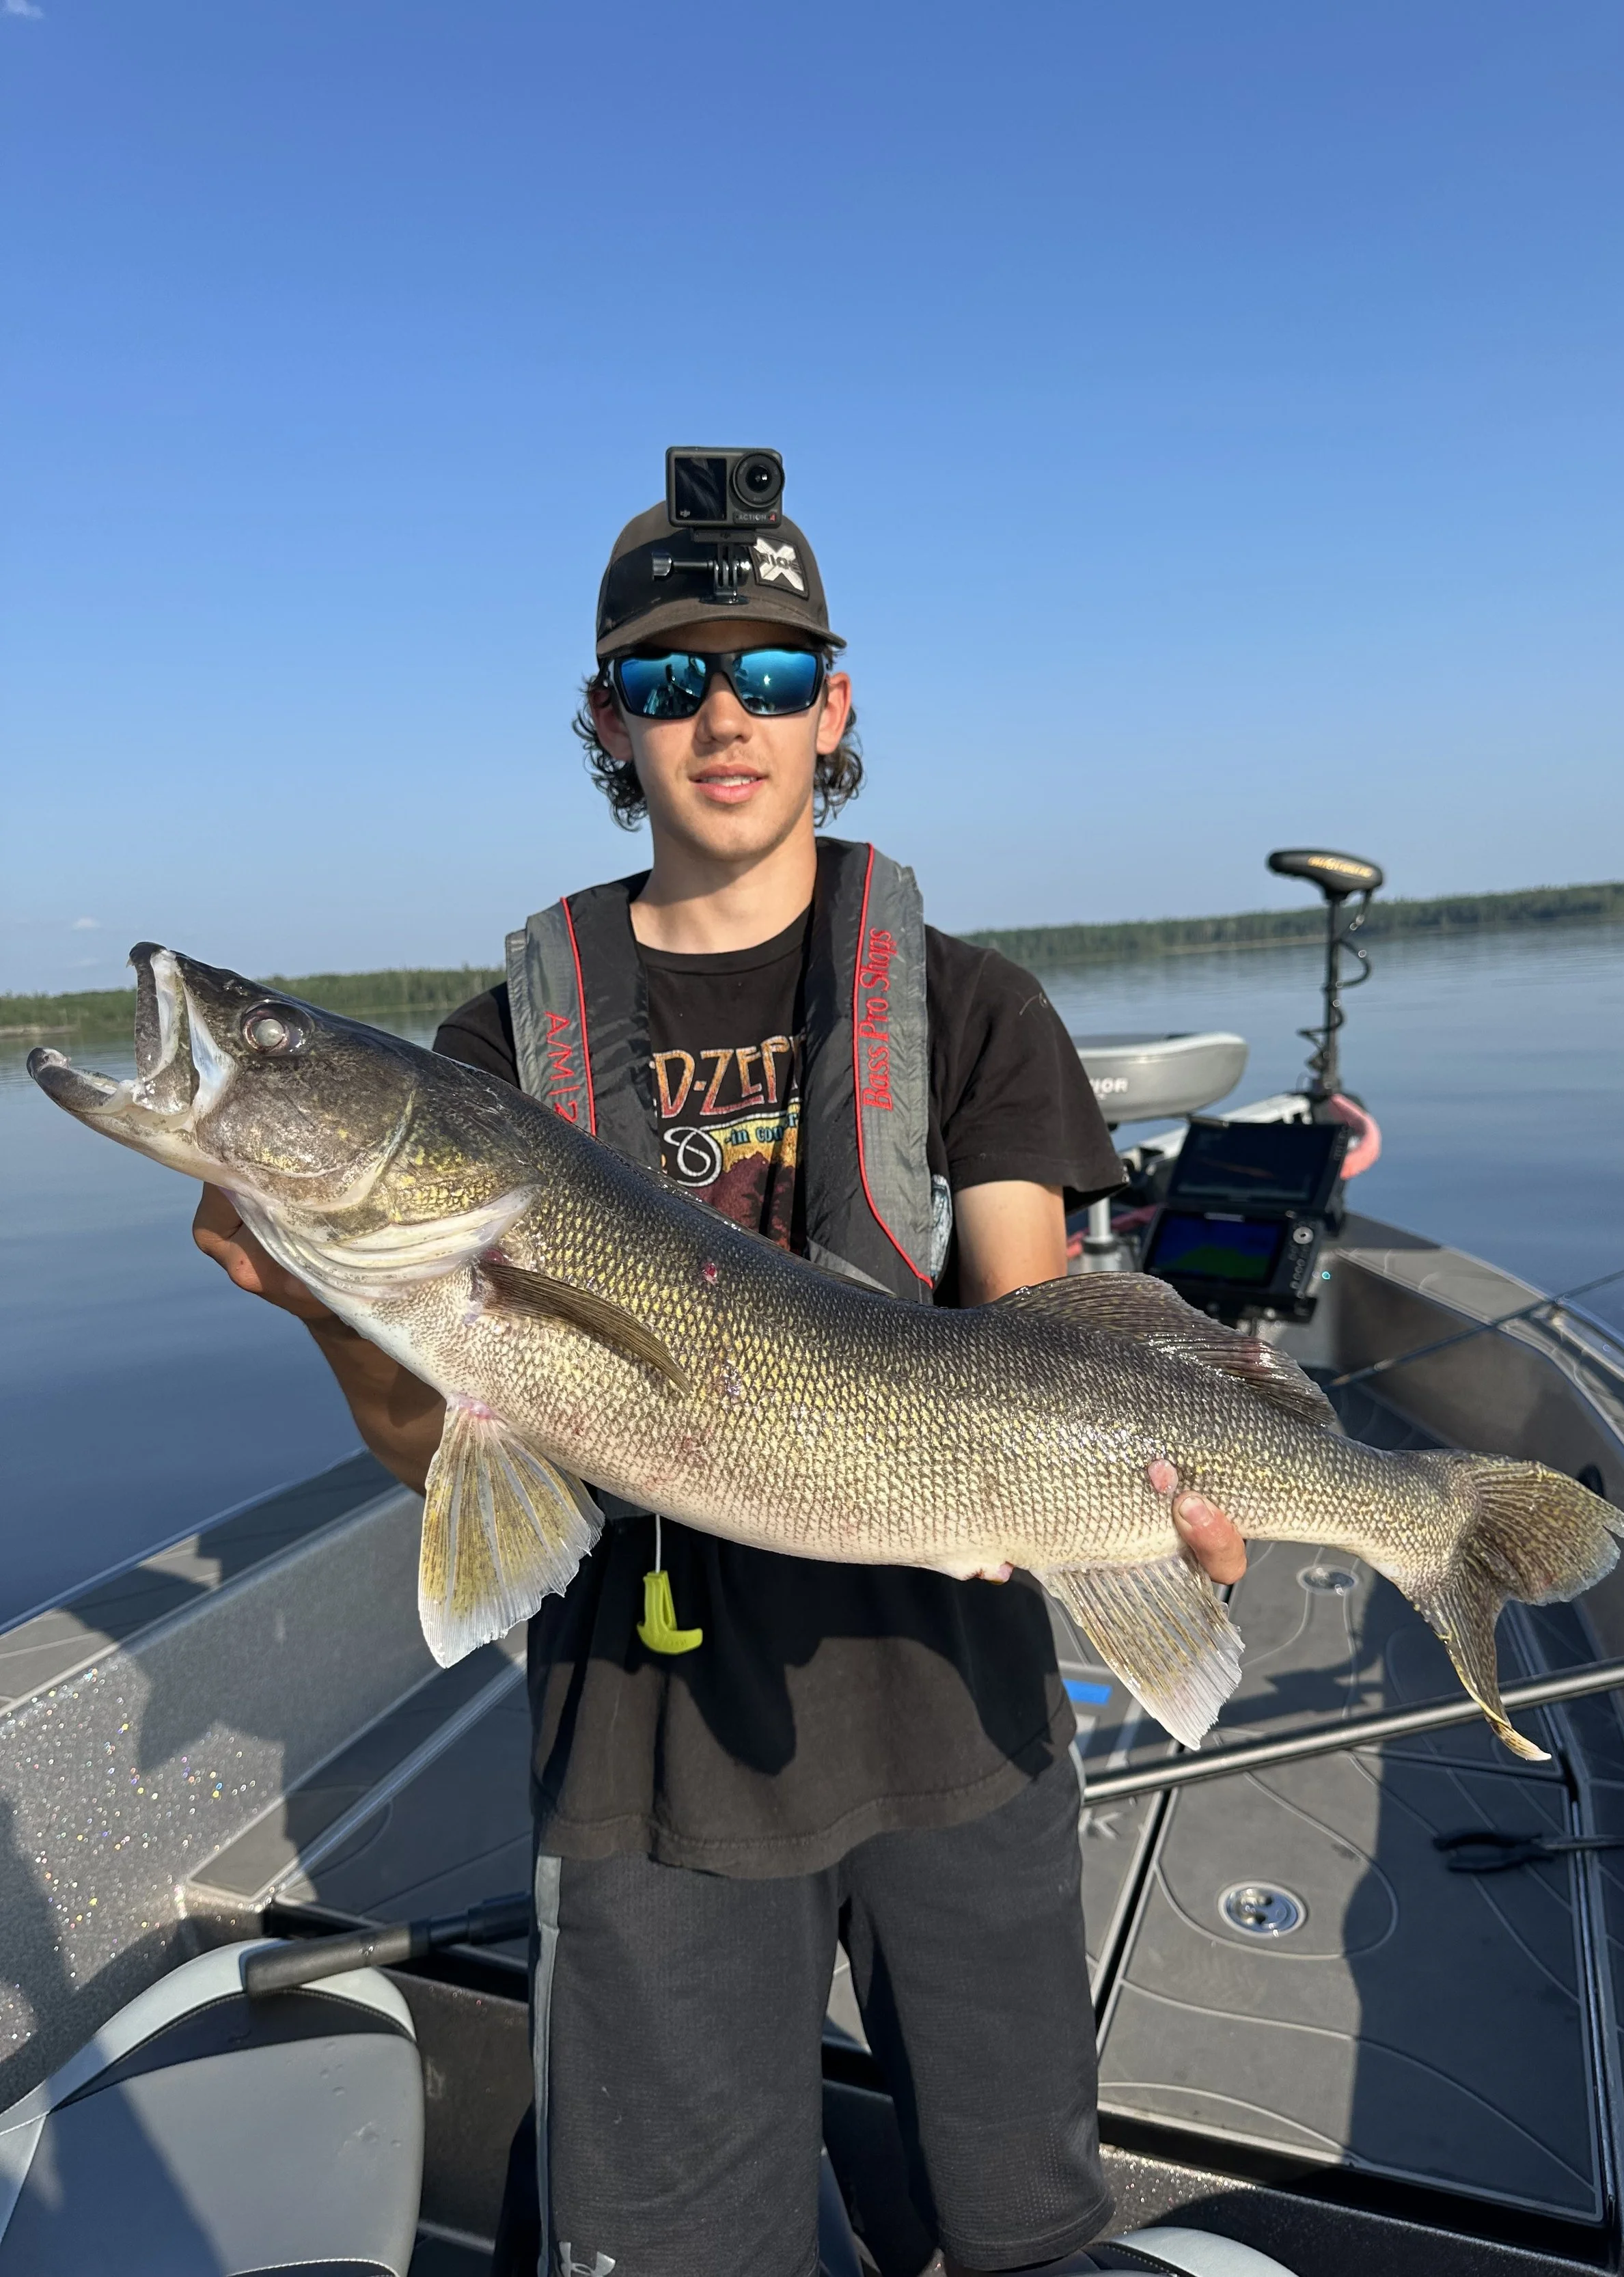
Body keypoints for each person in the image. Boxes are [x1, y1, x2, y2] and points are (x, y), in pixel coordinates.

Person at [193, 485, 1247, 2277]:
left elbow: (1032, 1319)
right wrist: (316, 1295)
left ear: (832, 706)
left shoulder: (975, 1007)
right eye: (668, 679)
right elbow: (426, 1451)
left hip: (957, 1725)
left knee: (1021, 2227)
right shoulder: (491, 1053)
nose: (723, 714)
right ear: (606, 720)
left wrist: (1167, 1513)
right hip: (649, 1753)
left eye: (768, 670)